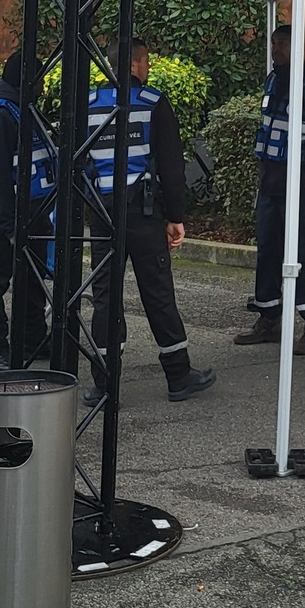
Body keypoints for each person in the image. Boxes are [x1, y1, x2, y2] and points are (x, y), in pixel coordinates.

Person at [85, 39, 215, 405]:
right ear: (137, 64)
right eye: (146, 61)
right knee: (157, 293)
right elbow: (172, 168)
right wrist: (176, 217)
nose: (148, 67)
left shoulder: (88, 106)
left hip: (101, 211)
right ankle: (178, 375)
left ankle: (103, 386)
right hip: (142, 213)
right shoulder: (154, 104)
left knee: (105, 298)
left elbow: (78, 164)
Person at [235, 24, 305, 355]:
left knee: (302, 250)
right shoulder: (273, 80)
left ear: (297, 46)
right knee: (268, 246)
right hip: (270, 176)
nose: (276, 50)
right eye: (273, 43)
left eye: (282, 43)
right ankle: (268, 317)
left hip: (301, 178)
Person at [0, 48, 54, 372]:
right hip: (9, 216)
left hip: (35, 211)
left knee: (33, 279)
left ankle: (34, 337)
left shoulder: (24, 109)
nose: (44, 87)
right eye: (40, 81)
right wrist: (8, 227)